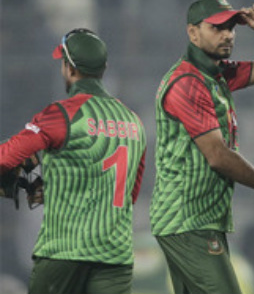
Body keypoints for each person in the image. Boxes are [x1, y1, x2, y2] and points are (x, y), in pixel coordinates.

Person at [151, 0, 254, 294]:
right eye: (217, 28)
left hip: (198, 220)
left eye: (231, 27)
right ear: (192, 32)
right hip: (187, 220)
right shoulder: (187, 82)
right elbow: (217, 156)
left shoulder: (217, 74)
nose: (227, 34)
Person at [0, 28, 147, 294]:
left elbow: (6, 158)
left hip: (65, 252)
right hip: (115, 257)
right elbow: (131, 194)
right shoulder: (134, 121)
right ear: (104, 68)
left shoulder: (61, 114)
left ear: (69, 68)